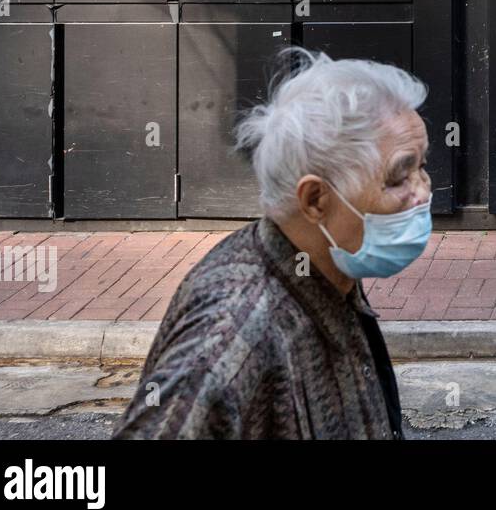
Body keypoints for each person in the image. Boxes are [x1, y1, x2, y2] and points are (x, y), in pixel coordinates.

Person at [113, 49, 431, 439]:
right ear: (315, 200)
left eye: (422, 167)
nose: (423, 191)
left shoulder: (330, 270)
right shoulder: (231, 336)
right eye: (400, 178)